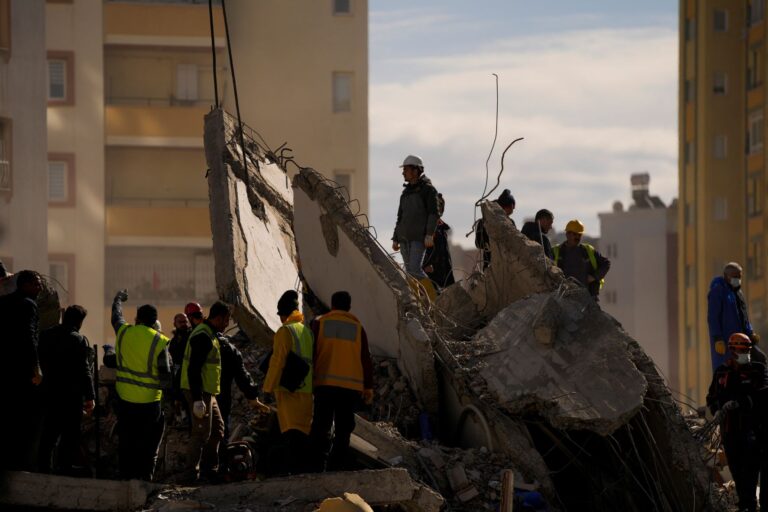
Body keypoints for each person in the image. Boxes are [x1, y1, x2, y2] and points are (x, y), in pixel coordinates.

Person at [310, 291, 374, 471]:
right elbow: (365, 360)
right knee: (343, 429)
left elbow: (312, 352)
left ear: (332, 305)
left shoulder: (320, 323)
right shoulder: (358, 328)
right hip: (349, 388)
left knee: (321, 425)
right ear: (349, 307)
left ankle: (316, 465)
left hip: (324, 385)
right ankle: (336, 467)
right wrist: (368, 387)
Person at [111, 289, 171, 481]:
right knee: (147, 444)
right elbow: (165, 376)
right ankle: (144, 481)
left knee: (126, 441)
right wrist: (170, 402)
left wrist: (118, 299)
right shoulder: (159, 341)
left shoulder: (124, 331)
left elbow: (116, 317)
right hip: (149, 403)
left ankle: (125, 477)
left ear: (137, 318)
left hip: (125, 400)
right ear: (155, 321)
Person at [707, 333, 768, 512]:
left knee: (750, 475)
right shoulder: (721, 372)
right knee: (738, 475)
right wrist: (716, 409)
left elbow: (763, 394)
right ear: (732, 351)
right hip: (730, 433)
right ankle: (745, 505)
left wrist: (740, 403)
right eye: (742, 351)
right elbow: (712, 396)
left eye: (747, 350)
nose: (745, 354)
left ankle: (749, 505)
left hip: (752, 434)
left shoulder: (757, 370)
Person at [37, 305, 95, 475]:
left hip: (49, 391)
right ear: (80, 321)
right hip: (71, 395)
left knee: (49, 432)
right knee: (70, 434)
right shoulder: (78, 339)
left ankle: (44, 467)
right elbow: (84, 371)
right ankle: (64, 466)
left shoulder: (46, 335)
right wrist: (90, 396)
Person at [263, 290, 314, 474]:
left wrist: (267, 388)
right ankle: (303, 471)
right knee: (302, 433)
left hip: (289, 390)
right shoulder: (306, 331)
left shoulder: (285, 331)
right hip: (307, 390)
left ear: (283, 314)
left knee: (291, 433)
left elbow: (277, 363)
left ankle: (292, 474)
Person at [180, 301, 230, 482]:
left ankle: (210, 471)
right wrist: (197, 400)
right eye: (226, 320)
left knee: (217, 430)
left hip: (208, 392)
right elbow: (193, 369)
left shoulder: (210, 334)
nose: (227, 324)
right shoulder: (203, 336)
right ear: (218, 318)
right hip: (199, 391)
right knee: (201, 433)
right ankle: (190, 475)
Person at [0, 270, 44, 470]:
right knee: (23, 418)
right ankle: (19, 463)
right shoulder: (29, 305)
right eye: (36, 284)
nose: (40, 288)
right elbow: (29, 338)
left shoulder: (4, 302)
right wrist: (36, 369)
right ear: (24, 285)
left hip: (5, 369)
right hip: (20, 370)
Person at [216, 331, 267, 469]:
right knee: (220, 431)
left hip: (208, 396)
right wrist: (252, 396)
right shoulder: (227, 349)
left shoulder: (202, 342)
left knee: (214, 432)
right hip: (217, 396)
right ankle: (220, 466)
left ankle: (217, 467)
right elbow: (242, 375)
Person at [391, 154, 440, 300]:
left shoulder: (428, 190)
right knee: (409, 273)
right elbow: (400, 217)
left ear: (416, 170)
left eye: (406, 169)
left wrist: (429, 234)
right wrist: (396, 237)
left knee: (415, 270)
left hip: (419, 238)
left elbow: (433, 213)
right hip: (404, 238)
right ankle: (417, 303)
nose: (403, 173)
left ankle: (435, 299)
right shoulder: (405, 193)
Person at [708, 262, 763, 372]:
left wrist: (750, 332)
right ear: (726, 276)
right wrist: (717, 338)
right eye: (735, 276)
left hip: (742, 341)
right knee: (729, 370)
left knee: (760, 360)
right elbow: (713, 317)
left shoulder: (738, 292)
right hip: (727, 342)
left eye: (739, 276)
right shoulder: (718, 291)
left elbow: (744, 316)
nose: (738, 279)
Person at [553, 220, 610, 301]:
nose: (577, 237)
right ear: (567, 234)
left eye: (579, 235)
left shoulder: (588, 251)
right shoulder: (556, 252)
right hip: (564, 299)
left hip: (588, 298)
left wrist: (594, 277)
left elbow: (606, 263)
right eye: (575, 234)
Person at [475, 189, 516, 269]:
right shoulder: (485, 221)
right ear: (510, 206)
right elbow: (478, 243)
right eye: (512, 208)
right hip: (492, 267)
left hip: (504, 267)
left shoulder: (510, 222)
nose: (513, 210)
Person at [423, 193, 456, 290]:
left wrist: (450, 281)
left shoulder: (441, 229)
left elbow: (445, 256)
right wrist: (425, 265)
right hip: (429, 276)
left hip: (445, 276)